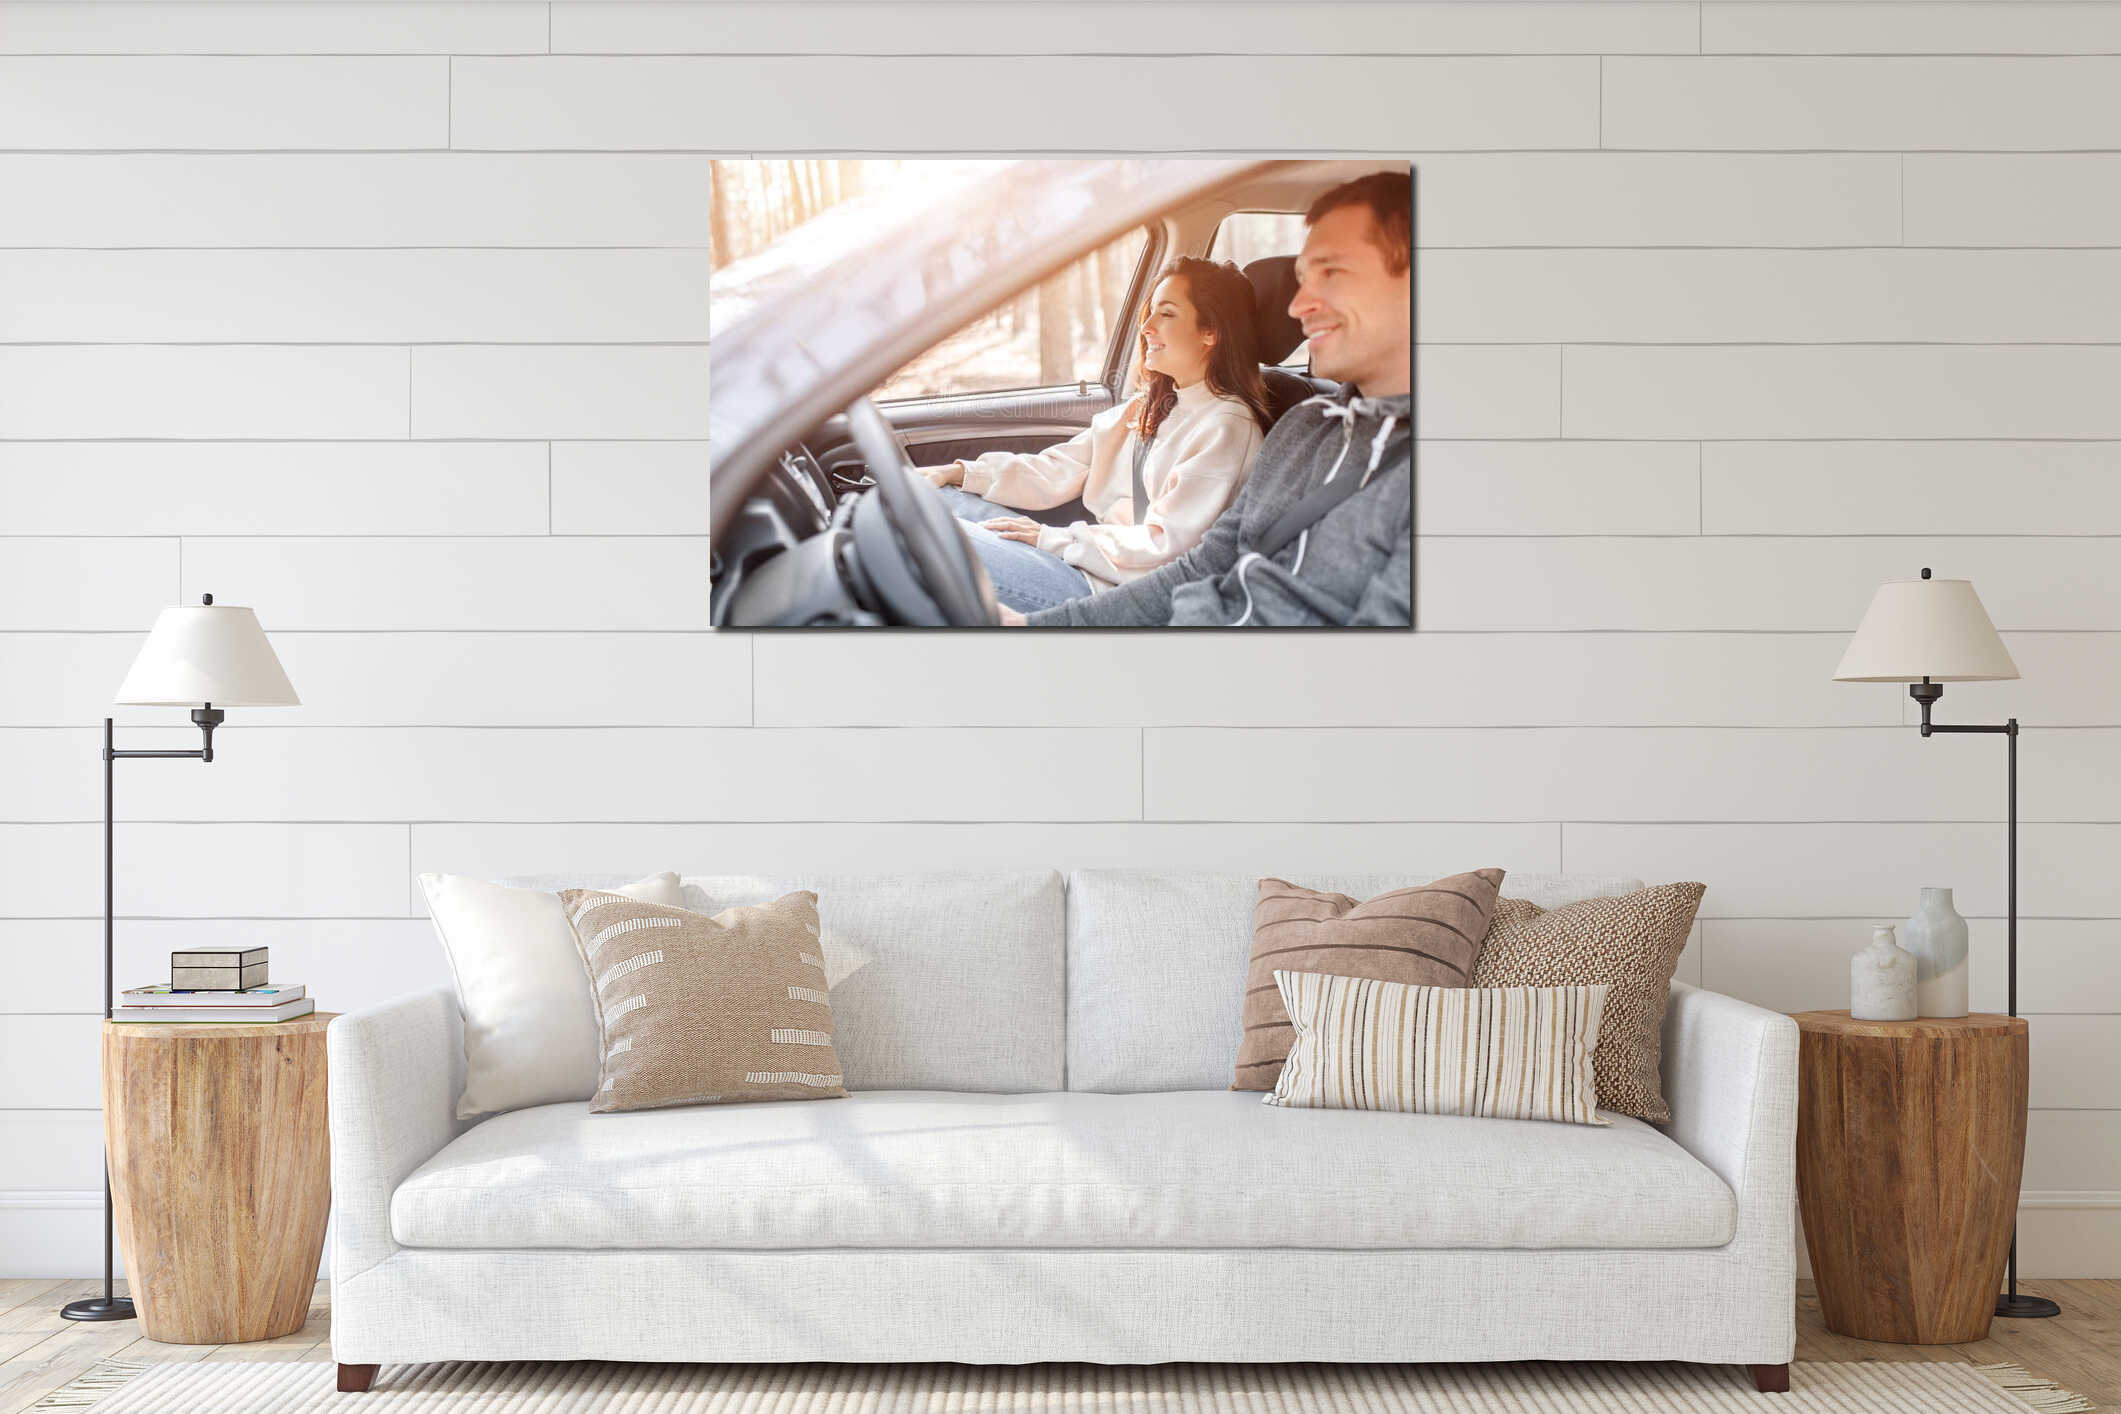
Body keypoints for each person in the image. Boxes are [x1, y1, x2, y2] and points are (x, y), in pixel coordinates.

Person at [1014, 170, 1411, 628]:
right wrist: (1037, 628)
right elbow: (1201, 569)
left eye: (1333, 272)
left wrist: (1057, 544)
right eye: (1303, 279)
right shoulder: (1305, 425)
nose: (1300, 305)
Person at [924, 257, 1271, 614]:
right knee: (933, 499)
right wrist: (960, 472)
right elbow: (1060, 466)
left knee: (923, 538)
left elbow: (1167, 547)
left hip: (1112, 592)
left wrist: (1054, 539)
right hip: (1086, 559)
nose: (1147, 326)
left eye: (1166, 314)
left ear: (1210, 332)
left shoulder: (1227, 428)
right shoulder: (1152, 405)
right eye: (1150, 312)